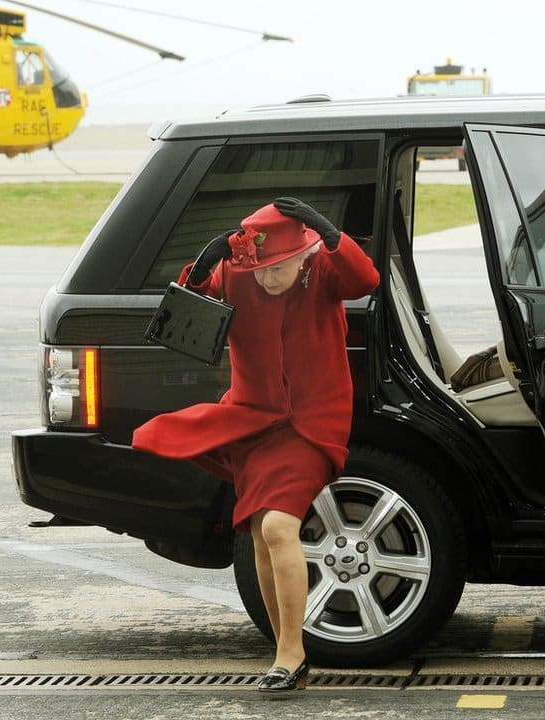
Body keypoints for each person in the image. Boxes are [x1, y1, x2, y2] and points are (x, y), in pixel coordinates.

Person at [133, 197, 380, 693]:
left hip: (312, 424)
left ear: (302, 256)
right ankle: (286, 651)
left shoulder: (322, 270)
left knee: (277, 526)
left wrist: (329, 232)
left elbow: (365, 280)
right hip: (252, 423)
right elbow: (185, 316)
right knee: (260, 534)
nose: (267, 277)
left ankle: (292, 653)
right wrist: (201, 268)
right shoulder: (237, 273)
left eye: (278, 267)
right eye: (260, 268)